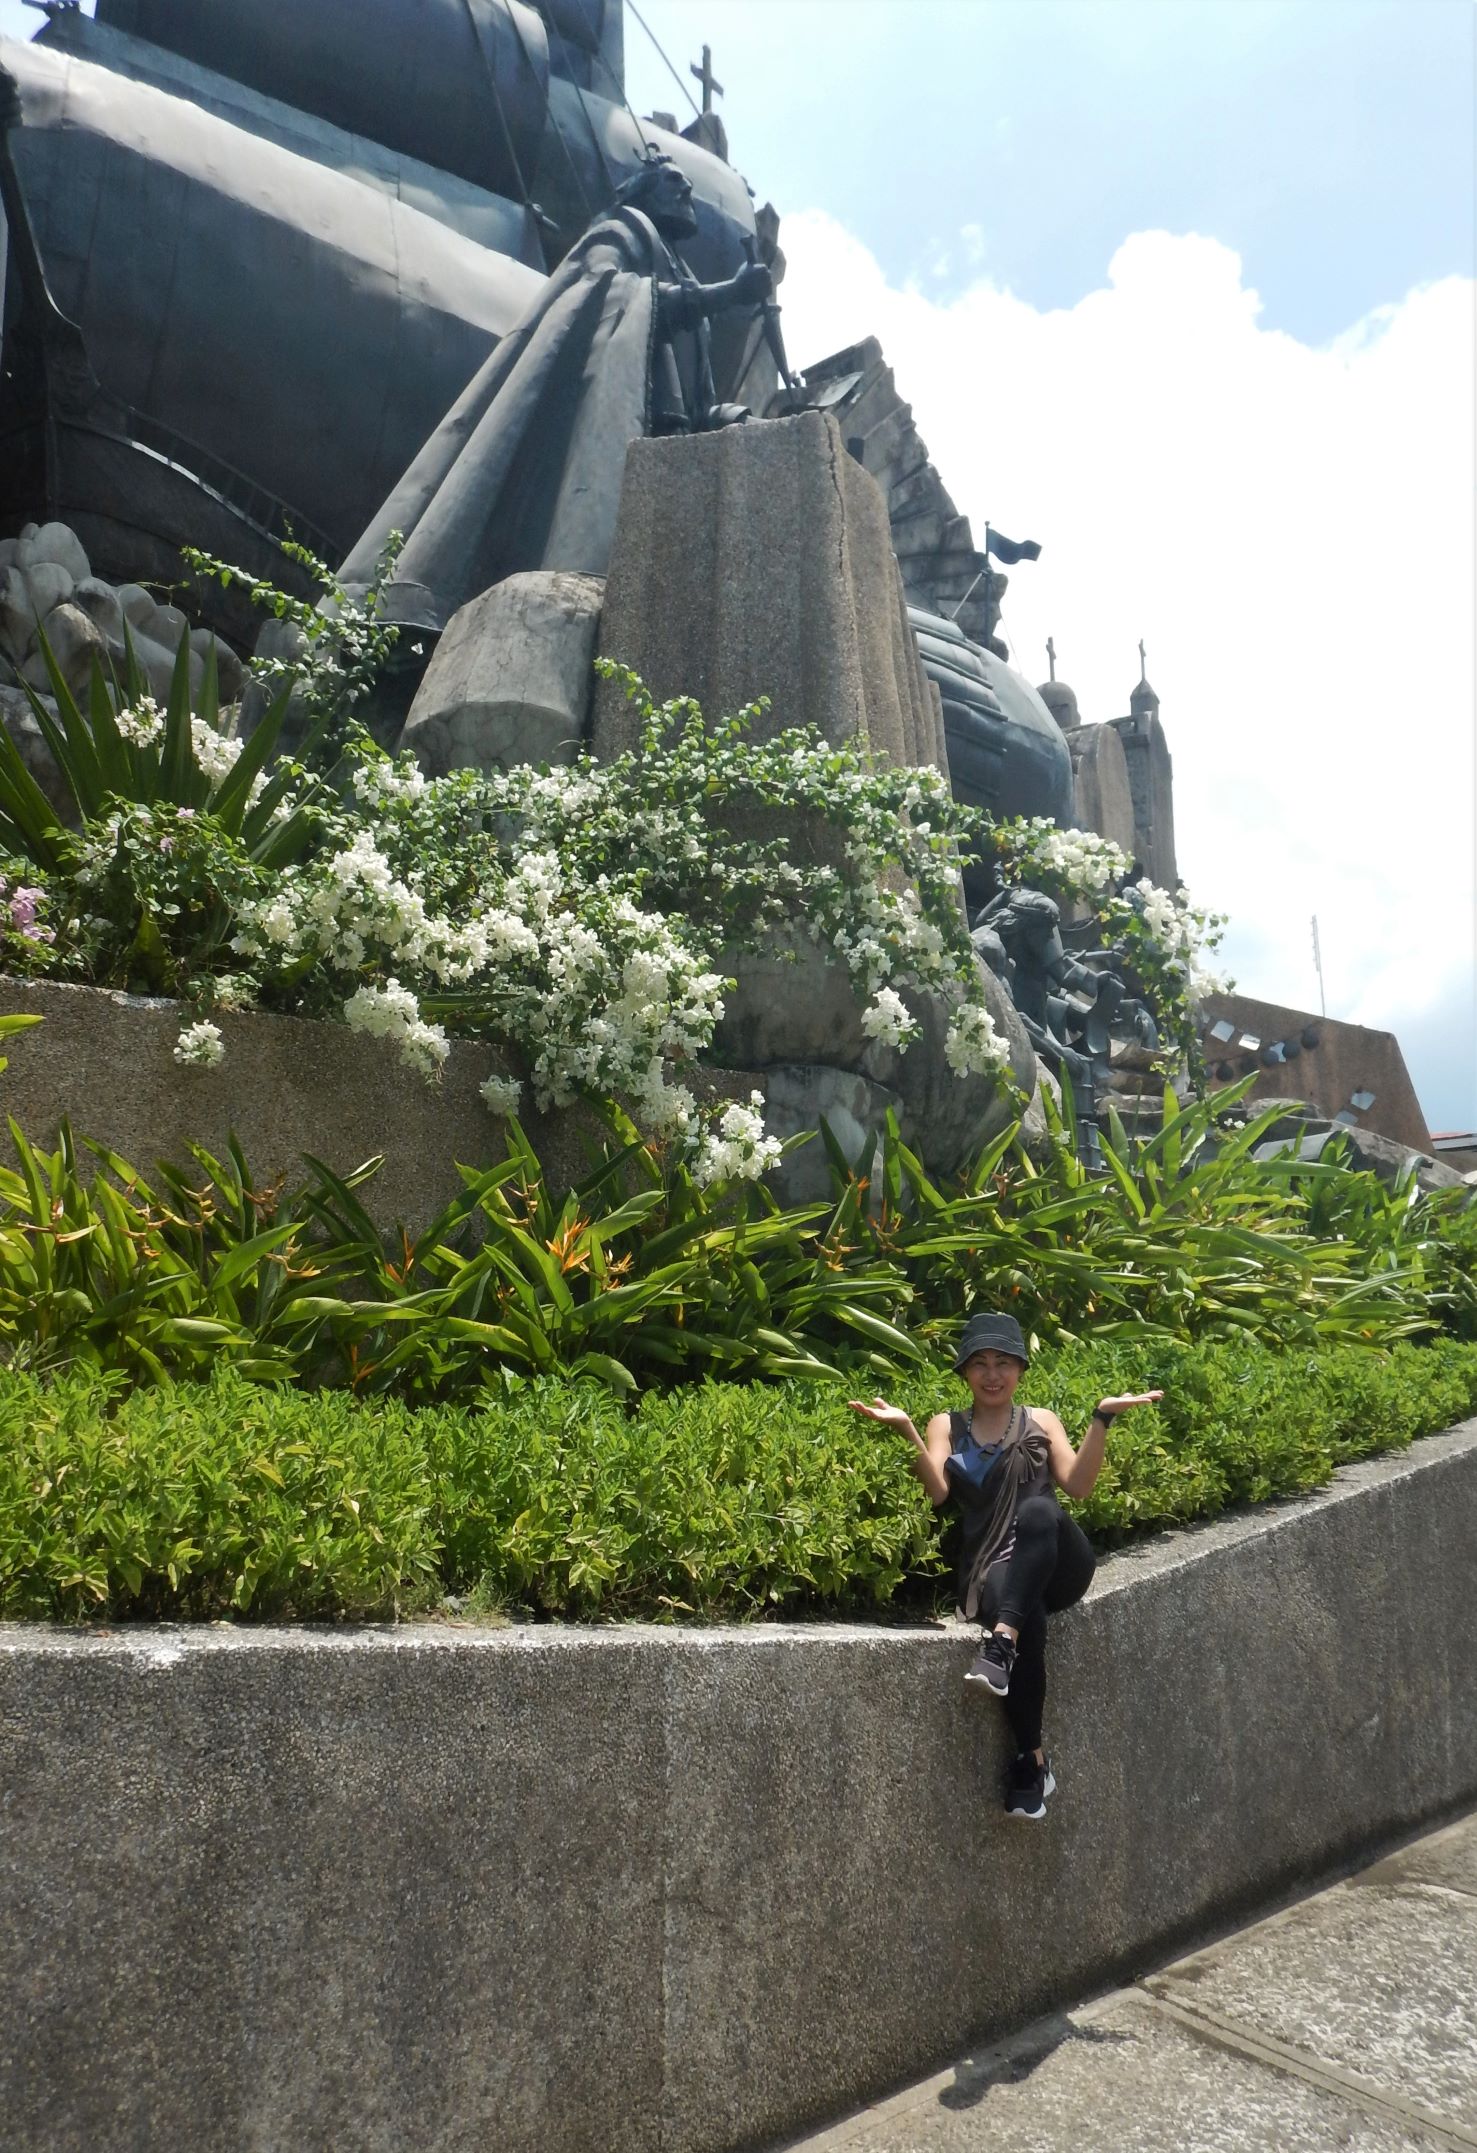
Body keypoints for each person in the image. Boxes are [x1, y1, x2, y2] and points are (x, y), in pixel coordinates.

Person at [334, 147, 772, 634]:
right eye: (672, 182)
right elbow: (603, 294)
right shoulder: (617, 233)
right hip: (610, 450)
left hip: (662, 467)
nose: (687, 189)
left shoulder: (686, 290)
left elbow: (696, 407)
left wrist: (746, 427)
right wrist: (725, 295)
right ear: (644, 196)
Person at [849, 1312, 1162, 1821]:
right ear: (965, 1372)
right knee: (1025, 1616)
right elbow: (938, 1493)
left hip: (1059, 1559)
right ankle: (1030, 1760)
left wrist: (1101, 1419)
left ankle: (999, 1647)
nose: (992, 1374)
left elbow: (1077, 1487)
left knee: (1039, 1510)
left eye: (1003, 1363)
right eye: (980, 1363)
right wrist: (906, 1428)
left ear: (1019, 1369)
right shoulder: (945, 1426)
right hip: (993, 1569)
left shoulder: (1041, 1421)